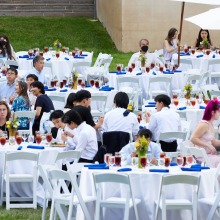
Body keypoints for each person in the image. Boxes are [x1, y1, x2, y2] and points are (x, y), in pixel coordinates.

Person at [190, 99, 220, 168]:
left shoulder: (211, 124)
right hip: (202, 157)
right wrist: (208, 146)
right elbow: (193, 138)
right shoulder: (204, 124)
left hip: (208, 155)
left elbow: (213, 142)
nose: (219, 114)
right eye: (218, 112)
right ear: (212, 112)